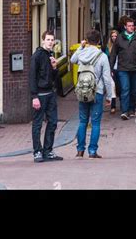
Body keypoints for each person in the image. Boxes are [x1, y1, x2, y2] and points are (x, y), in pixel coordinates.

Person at [71, 30, 113, 158]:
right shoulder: (102, 56)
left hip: (82, 91)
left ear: (87, 41)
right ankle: (92, 151)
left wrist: (81, 47)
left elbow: (73, 60)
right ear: (99, 41)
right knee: (95, 123)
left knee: (82, 121)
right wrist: (109, 96)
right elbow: (107, 78)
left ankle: (79, 150)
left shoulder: (82, 52)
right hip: (97, 92)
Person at [29, 30, 63, 163]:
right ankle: (37, 151)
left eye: (52, 40)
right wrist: (34, 96)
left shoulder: (51, 55)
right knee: (37, 124)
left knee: (53, 122)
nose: (50, 42)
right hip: (40, 95)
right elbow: (32, 77)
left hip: (50, 94)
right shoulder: (36, 56)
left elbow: (53, 78)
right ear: (43, 41)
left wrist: (54, 68)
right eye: (48, 39)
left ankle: (48, 150)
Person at [109, 18, 136, 120]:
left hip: (135, 68)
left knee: (134, 90)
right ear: (125, 27)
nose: (131, 27)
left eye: (132, 25)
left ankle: (132, 109)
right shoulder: (119, 38)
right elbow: (113, 54)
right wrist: (110, 68)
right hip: (123, 68)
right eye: (129, 26)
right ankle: (124, 111)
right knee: (125, 89)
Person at [106, 29, 120, 114]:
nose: (114, 38)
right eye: (112, 36)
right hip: (112, 69)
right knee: (112, 87)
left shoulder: (121, 45)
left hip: (121, 68)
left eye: (115, 36)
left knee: (121, 87)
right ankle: (113, 106)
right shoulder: (108, 47)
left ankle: (123, 104)